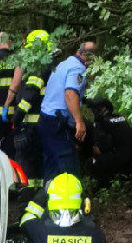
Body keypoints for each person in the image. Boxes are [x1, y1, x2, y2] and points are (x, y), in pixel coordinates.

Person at [38, 42, 97, 180]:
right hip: (57, 121)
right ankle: (71, 200)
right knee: (69, 167)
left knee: (51, 165)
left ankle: (48, 199)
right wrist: (79, 121)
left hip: (45, 118)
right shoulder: (78, 68)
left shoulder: (64, 64)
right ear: (90, 57)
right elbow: (70, 93)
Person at [13, 30, 57, 189]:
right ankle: (38, 198)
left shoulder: (40, 66)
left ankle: (28, 200)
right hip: (43, 125)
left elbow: (30, 93)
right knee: (39, 167)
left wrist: (17, 117)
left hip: (33, 126)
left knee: (28, 166)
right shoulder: (50, 65)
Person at [84, 97, 132, 188]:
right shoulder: (119, 117)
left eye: (96, 109)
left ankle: (108, 184)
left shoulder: (102, 123)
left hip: (128, 161)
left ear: (103, 109)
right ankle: (123, 177)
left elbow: (102, 148)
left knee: (92, 163)